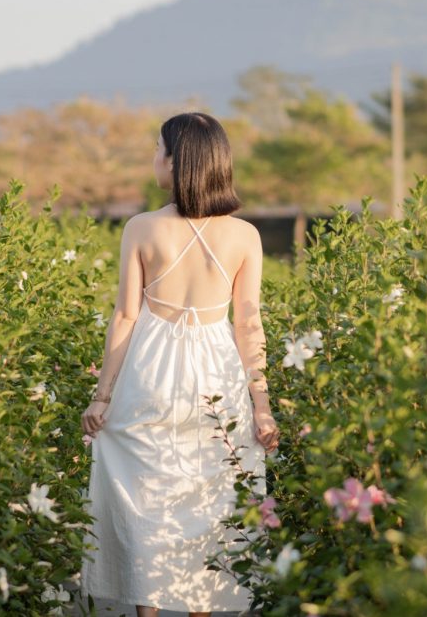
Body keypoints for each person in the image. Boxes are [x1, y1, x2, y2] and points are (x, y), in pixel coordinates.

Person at [80, 112, 279, 617]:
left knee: (149, 492)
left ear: (177, 162)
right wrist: (262, 407)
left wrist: (102, 395)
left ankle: (148, 611)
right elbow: (248, 325)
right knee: (211, 493)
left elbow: (126, 316)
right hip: (216, 367)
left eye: (157, 150)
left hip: (152, 367)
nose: (154, 159)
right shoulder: (245, 236)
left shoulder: (141, 227)